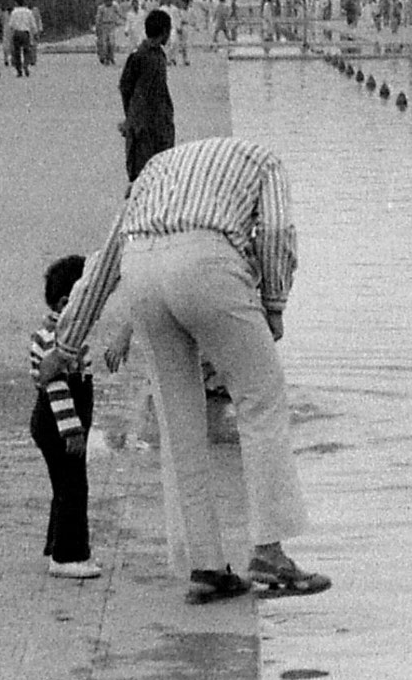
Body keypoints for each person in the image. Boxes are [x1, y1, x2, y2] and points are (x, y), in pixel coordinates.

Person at [41, 136, 329, 603]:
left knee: (178, 423)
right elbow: (276, 234)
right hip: (207, 263)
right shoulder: (265, 161)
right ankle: (270, 551)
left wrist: (67, 342)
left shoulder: (156, 169)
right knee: (261, 399)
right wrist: (274, 303)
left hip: (141, 270)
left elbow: (108, 255)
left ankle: (206, 565)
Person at [30, 254, 102, 579]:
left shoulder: (67, 333)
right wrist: (71, 429)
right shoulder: (55, 338)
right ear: (66, 302)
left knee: (64, 484)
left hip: (60, 421)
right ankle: (68, 555)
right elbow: (56, 386)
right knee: (73, 486)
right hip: (58, 422)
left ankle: (56, 541)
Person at [120, 8, 176, 184]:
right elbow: (125, 86)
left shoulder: (158, 54)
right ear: (165, 31)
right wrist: (131, 116)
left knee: (160, 172)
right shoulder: (139, 55)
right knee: (142, 175)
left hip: (159, 123)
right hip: (143, 126)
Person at [6, 0, 40, 77]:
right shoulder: (28, 12)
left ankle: (19, 70)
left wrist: (10, 35)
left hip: (17, 33)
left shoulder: (14, 12)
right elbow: (33, 24)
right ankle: (26, 65)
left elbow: (11, 25)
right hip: (25, 33)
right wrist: (35, 33)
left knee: (16, 52)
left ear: (16, 3)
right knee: (26, 51)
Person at [95, 0, 119, 66]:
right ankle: (105, 58)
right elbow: (98, 18)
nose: (110, 3)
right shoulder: (101, 8)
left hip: (111, 26)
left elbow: (119, 14)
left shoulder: (114, 7)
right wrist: (97, 27)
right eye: (108, 1)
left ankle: (111, 57)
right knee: (104, 43)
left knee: (112, 43)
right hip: (104, 26)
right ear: (106, 1)